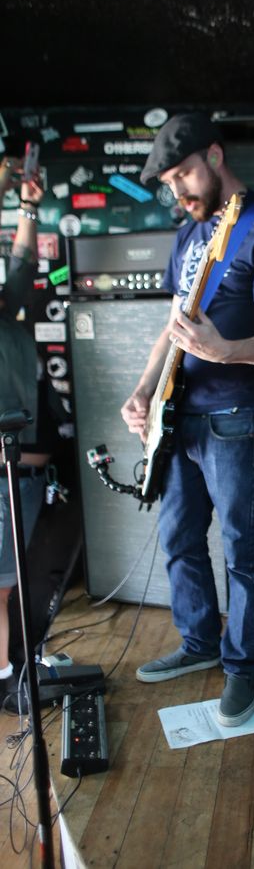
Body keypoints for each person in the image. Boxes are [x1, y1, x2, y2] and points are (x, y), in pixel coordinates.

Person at [121, 112, 254, 726]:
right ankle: (199, 642)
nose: (179, 192)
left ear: (215, 156)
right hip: (180, 416)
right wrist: (144, 390)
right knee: (178, 538)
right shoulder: (188, 235)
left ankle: (242, 665)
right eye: (168, 183)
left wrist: (224, 351)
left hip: (238, 418)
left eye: (184, 175)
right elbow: (171, 329)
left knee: (242, 550)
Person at [0, 150, 49, 715]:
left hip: (21, 471)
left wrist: (26, 206)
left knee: (10, 582)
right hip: (5, 474)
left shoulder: (7, 312)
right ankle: (7, 678)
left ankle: (13, 671)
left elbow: (20, 267)